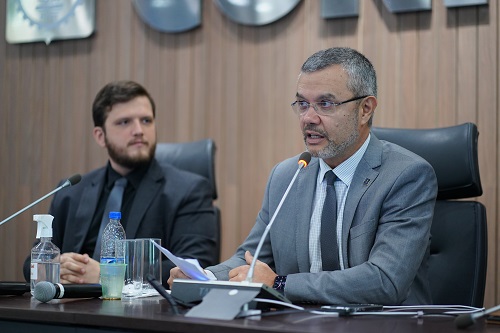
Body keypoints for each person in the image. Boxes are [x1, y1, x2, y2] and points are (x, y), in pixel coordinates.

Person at [168, 47, 438, 305]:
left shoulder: (405, 176)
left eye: (325, 104)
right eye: (302, 103)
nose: (308, 118)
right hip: (300, 322)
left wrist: (280, 284)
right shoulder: (287, 176)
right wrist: (203, 277)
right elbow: (250, 258)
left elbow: (385, 280)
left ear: (365, 109)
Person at [23, 80, 219, 287]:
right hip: (70, 309)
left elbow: (197, 267)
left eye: (146, 120)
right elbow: (31, 264)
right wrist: (55, 267)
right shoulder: (71, 191)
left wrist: (107, 275)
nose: (139, 130)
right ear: (101, 136)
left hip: (143, 315)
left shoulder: (188, 190)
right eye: (124, 122)